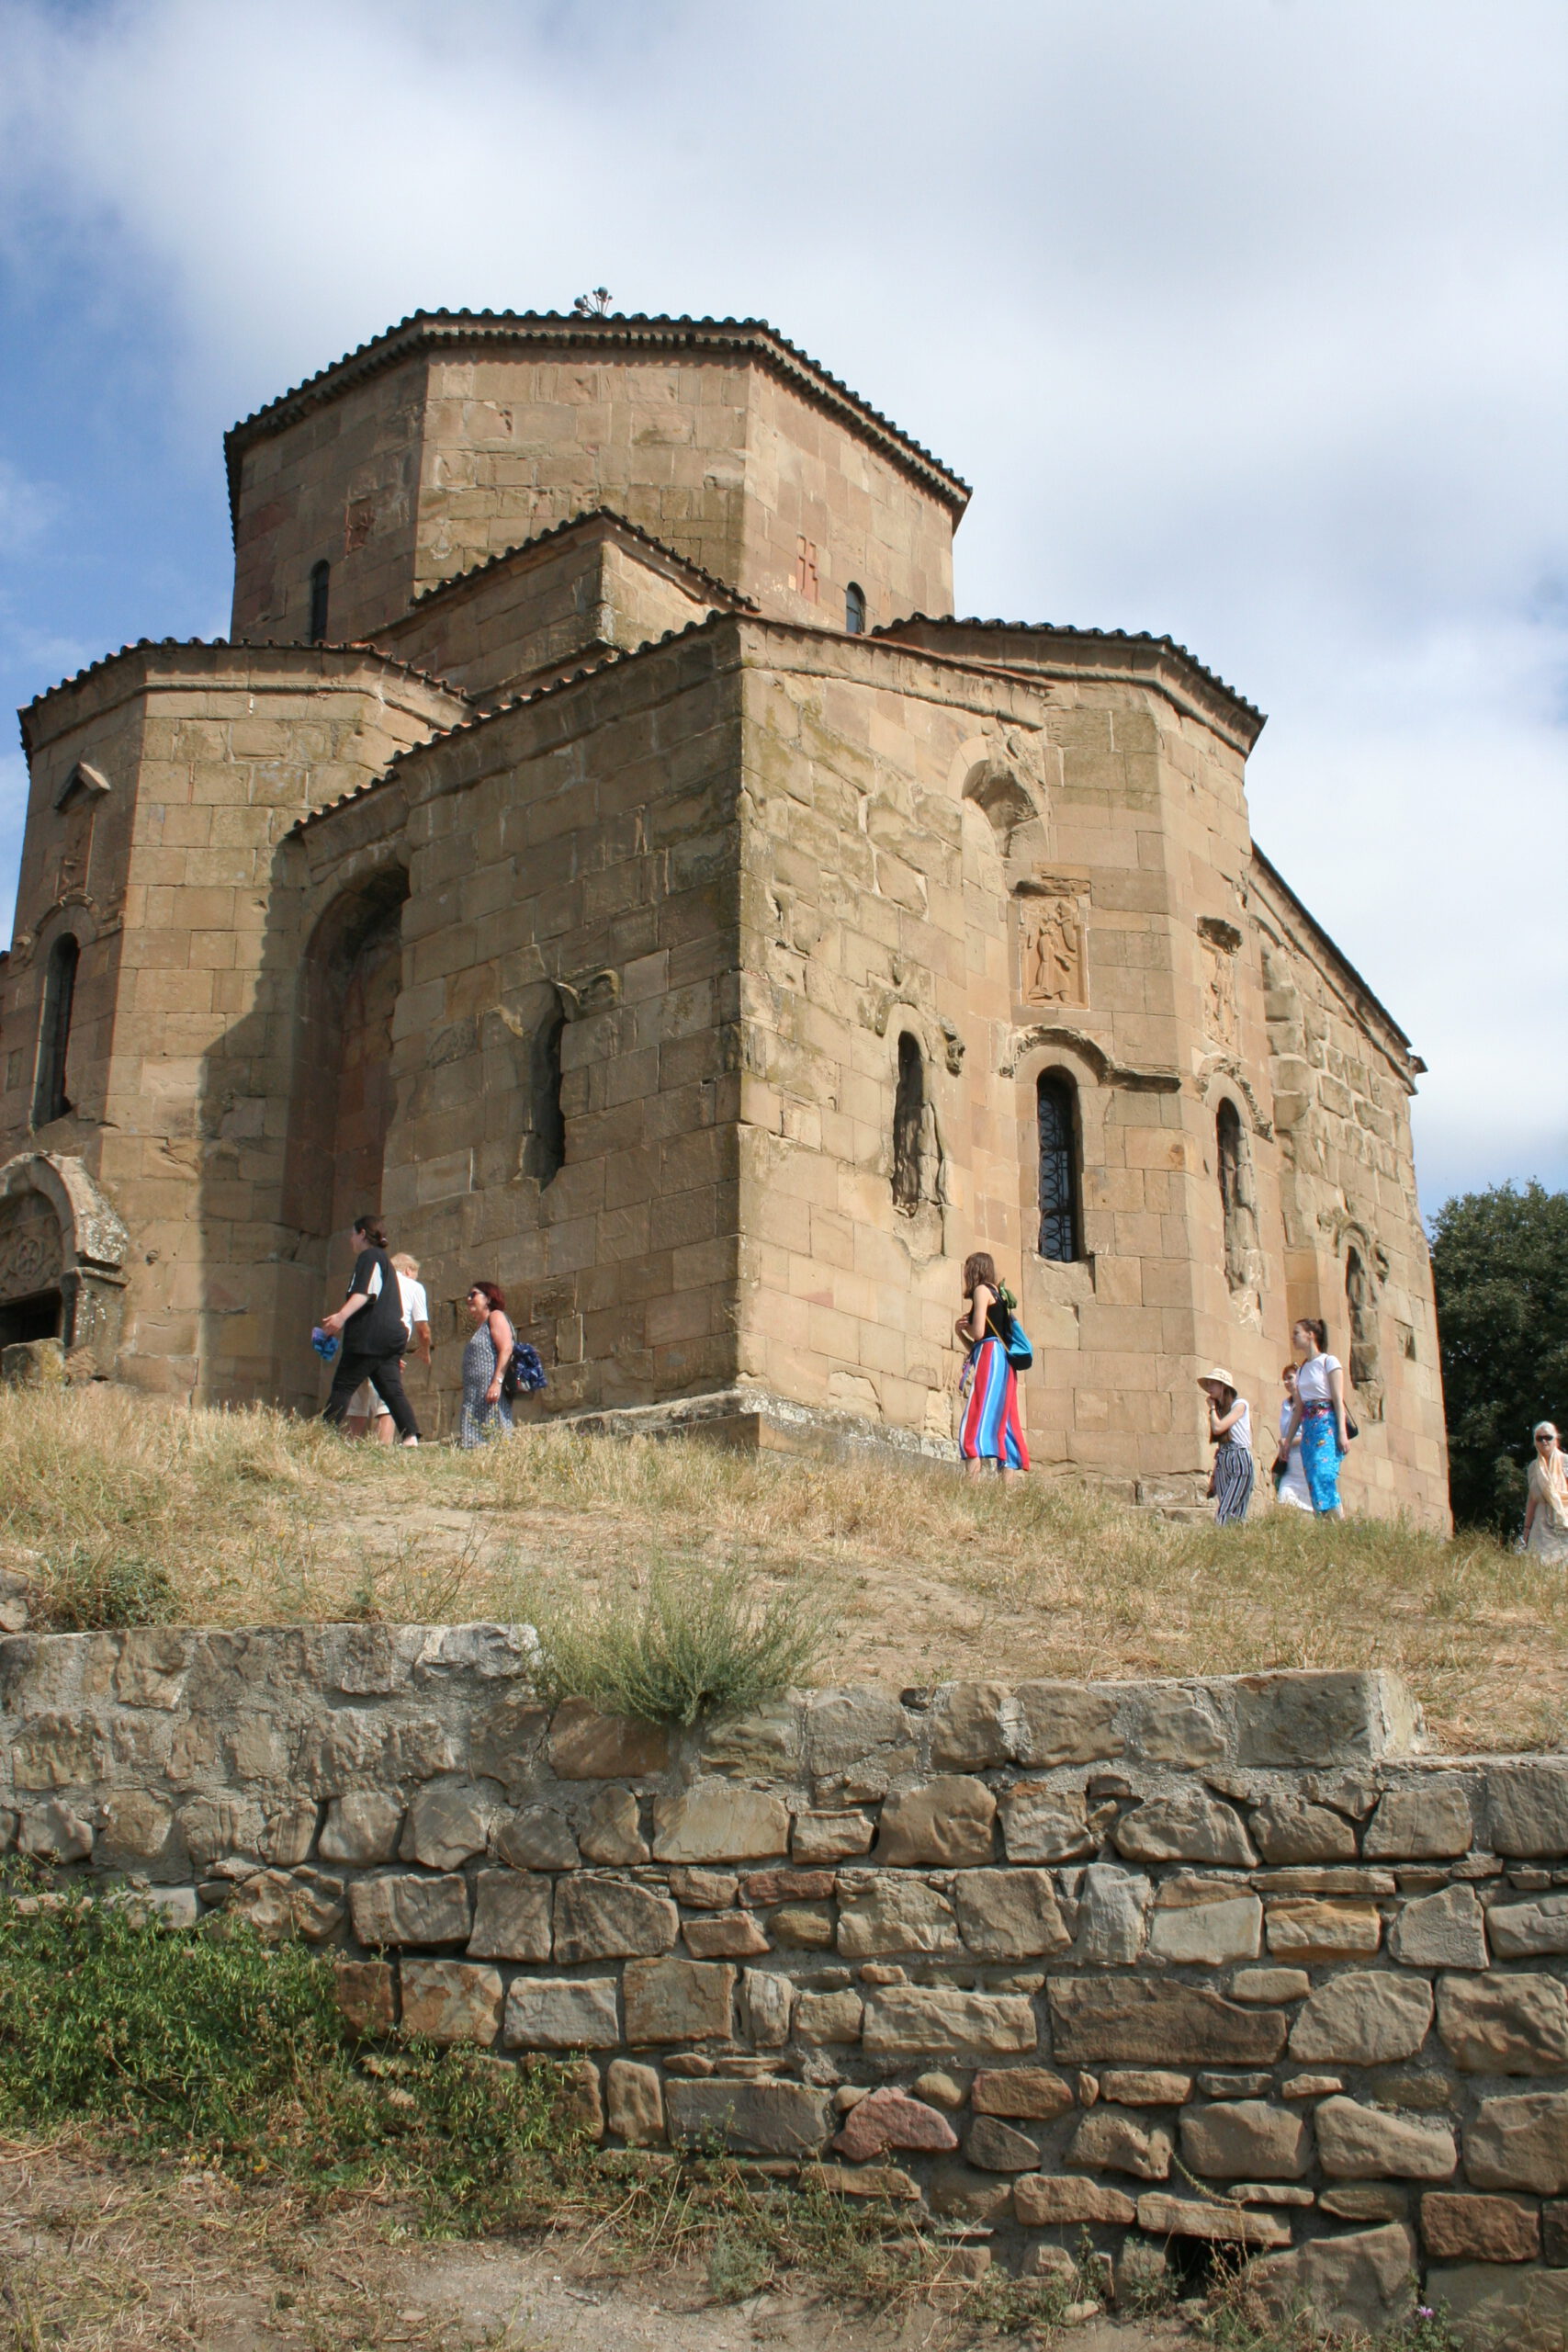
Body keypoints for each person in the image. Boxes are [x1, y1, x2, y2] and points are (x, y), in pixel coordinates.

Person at [318, 1215, 420, 1444]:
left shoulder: (370, 1257)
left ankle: (321, 1436)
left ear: (363, 1234)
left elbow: (365, 1293)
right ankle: (410, 1437)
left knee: (343, 1386)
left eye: (353, 1235)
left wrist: (340, 1317)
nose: (351, 1240)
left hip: (369, 1337)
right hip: (390, 1337)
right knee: (391, 1389)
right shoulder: (385, 1262)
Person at [955, 1251, 1029, 1487]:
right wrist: (960, 1334)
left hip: (991, 1357)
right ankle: (1007, 1490)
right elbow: (977, 1345)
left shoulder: (981, 1291)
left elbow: (978, 1334)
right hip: (1004, 1361)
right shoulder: (999, 1294)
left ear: (974, 1270)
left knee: (975, 1416)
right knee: (1006, 1421)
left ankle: (971, 1484)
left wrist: (965, 1328)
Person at [352, 1253, 433, 1445]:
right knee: (386, 1401)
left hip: (359, 1343)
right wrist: (425, 1349)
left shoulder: (373, 1281)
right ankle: (383, 1448)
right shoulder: (413, 1286)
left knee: (356, 1404)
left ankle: (349, 1447)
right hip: (387, 1347)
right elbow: (423, 1329)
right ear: (408, 1270)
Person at [1275, 1317, 1348, 1518]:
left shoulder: (1329, 1362)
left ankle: (1338, 1520)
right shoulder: (1303, 1369)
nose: (1293, 1337)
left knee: (1324, 1472)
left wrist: (1342, 1432)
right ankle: (1324, 1522)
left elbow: (1338, 1399)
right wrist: (1288, 1441)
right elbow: (1298, 1408)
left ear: (1310, 1335)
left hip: (1326, 1423)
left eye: (1296, 1333)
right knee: (1313, 1476)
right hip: (1308, 1426)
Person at [459, 1280, 515, 1447]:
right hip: (475, 1395)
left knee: (495, 1435)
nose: (469, 1299)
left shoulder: (495, 1316)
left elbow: (506, 1349)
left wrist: (497, 1383)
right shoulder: (481, 1327)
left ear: (488, 1298)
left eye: (473, 1294)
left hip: (491, 1392)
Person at [1200, 1366, 1254, 1525]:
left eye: (1213, 1383)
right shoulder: (1220, 1411)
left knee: (1225, 1512)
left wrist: (1212, 1408)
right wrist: (1214, 1476)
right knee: (1232, 1514)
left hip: (1239, 1457)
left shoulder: (1240, 1404)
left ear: (1223, 1386)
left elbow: (1218, 1428)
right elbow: (1221, 1443)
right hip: (1223, 1459)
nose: (1209, 1387)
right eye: (1208, 1384)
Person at [1524, 1422, 1568, 1563]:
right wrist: (1526, 1528)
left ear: (1556, 1439)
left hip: (1564, 1522)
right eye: (1539, 1438)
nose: (1544, 1441)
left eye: (1548, 1437)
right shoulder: (1533, 1467)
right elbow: (1532, 1499)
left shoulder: (1566, 1462)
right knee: (1537, 1565)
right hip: (1540, 1526)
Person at [1274, 1363, 1313, 1511]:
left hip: (1304, 1457)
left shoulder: (1308, 1402)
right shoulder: (1286, 1404)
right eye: (1284, 1379)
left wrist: (1289, 1442)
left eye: (1290, 1377)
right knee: (1284, 1497)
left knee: (1309, 1500)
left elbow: (1310, 1434)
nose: (1286, 1382)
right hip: (1289, 1458)